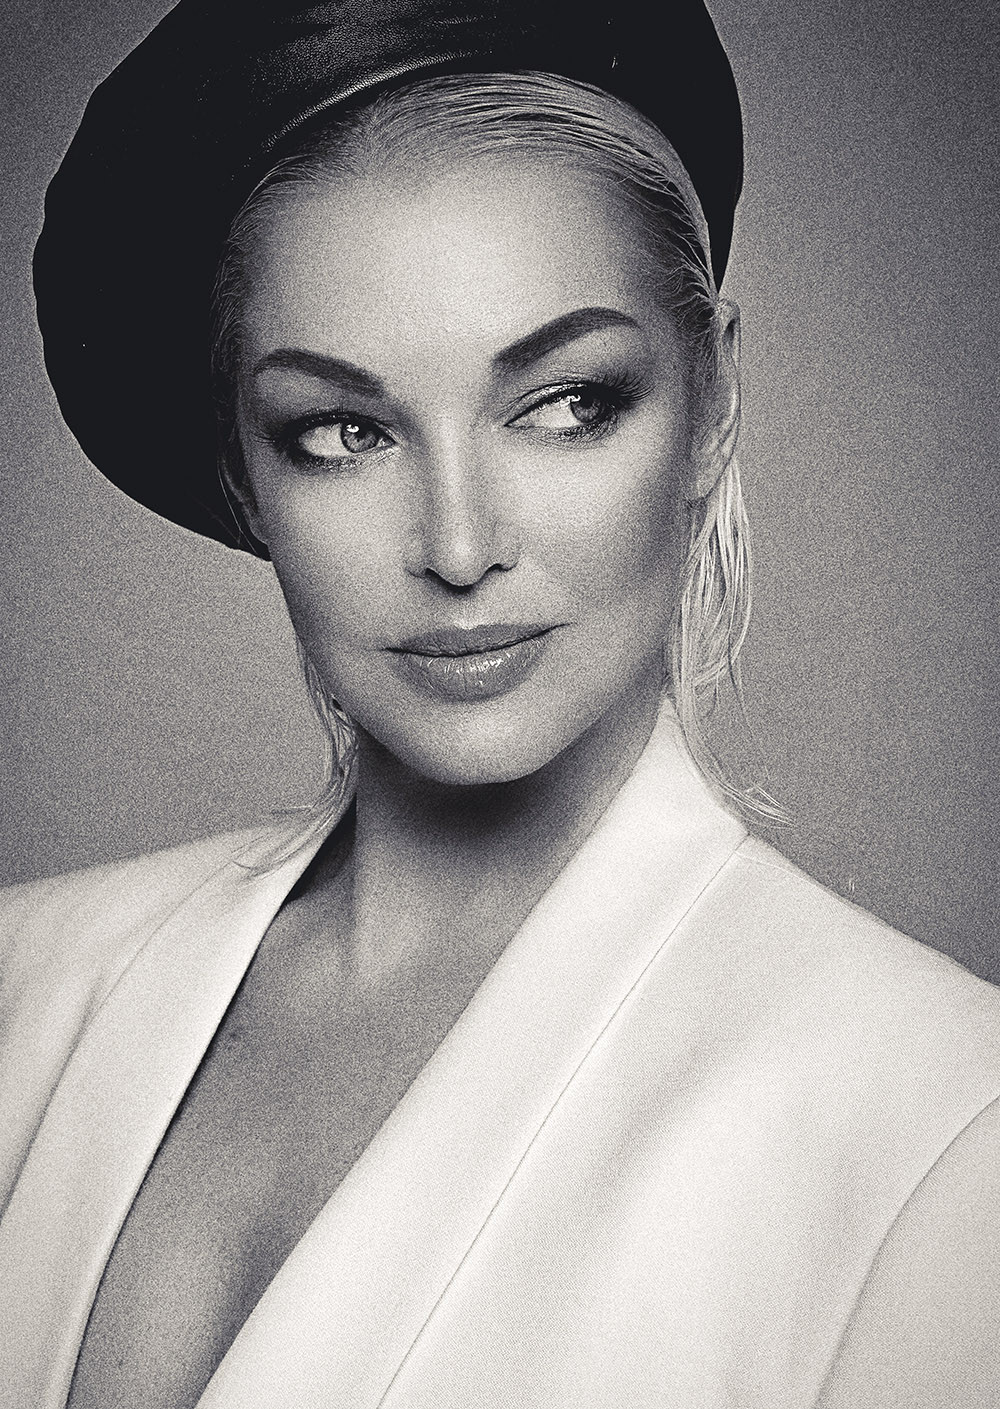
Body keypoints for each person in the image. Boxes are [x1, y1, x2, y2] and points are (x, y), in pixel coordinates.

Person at [1, 2, 999, 1406]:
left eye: (566, 402)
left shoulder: (942, 1132)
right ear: (242, 472)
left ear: (711, 401)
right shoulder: (24, 982)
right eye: (342, 431)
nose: (461, 546)